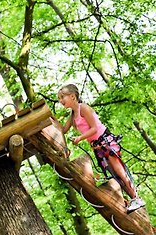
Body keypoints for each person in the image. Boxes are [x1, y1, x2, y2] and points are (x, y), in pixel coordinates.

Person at [57, 84, 145, 212]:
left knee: (119, 170)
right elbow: (63, 130)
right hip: (97, 147)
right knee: (114, 174)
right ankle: (131, 199)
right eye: (59, 98)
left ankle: (136, 198)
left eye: (62, 97)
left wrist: (80, 138)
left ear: (72, 96)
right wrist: (51, 119)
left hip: (105, 142)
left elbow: (94, 129)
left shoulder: (84, 108)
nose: (60, 101)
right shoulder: (72, 115)